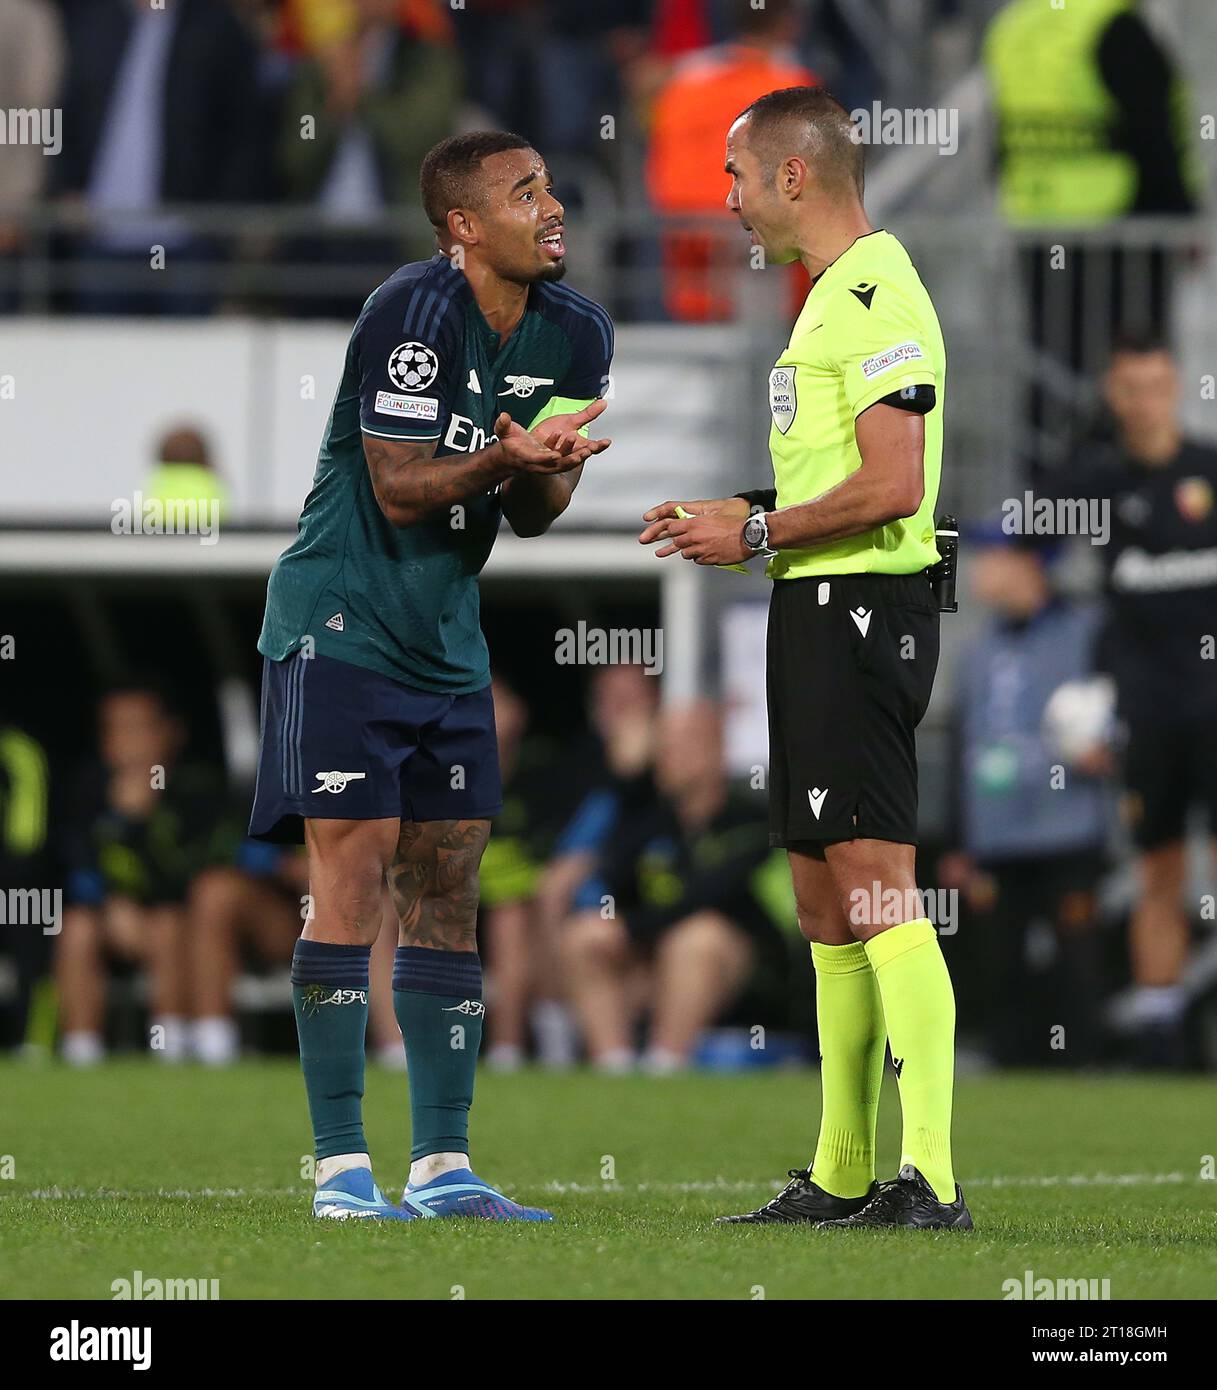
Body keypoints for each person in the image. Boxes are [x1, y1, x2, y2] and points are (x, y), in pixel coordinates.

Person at [249, 130, 613, 1221]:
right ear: (462, 227)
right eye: (523, 192)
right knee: (352, 884)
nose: (552, 206)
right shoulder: (410, 312)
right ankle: (340, 1168)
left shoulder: (578, 331)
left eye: (549, 186)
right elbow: (403, 487)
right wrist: (509, 455)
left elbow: (533, 519)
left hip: (448, 642)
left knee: (447, 888)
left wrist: (544, 469)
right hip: (341, 623)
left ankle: (444, 1165)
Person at [641, 87, 970, 1229]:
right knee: (823, 896)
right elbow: (846, 474)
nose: (722, 200)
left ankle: (926, 1174)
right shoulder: (827, 298)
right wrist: (742, 509)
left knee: (876, 879)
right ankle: (839, 1172)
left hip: (864, 608)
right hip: (814, 606)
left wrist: (758, 533)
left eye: (732, 177)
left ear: (791, 176)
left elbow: (892, 484)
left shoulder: (876, 290)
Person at [1047, 334, 1217, 1066]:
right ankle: (1158, 1027)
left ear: (1173, 386)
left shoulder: (1208, 471)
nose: (1144, 401)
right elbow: (1029, 528)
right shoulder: (1096, 480)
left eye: (1154, 385)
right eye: (1128, 388)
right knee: (1158, 870)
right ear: (1111, 396)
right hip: (1147, 711)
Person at [941, 530, 1113, 1068]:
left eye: (991, 558)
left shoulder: (1087, 633)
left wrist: (1110, 744)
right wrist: (959, 842)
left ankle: (1086, 1066)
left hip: (1069, 828)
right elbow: (958, 745)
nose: (978, 572)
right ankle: (1005, 1068)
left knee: (1077, 957)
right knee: (999, 963)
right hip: (997, 836)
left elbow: (1120, 707)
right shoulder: (976, 649)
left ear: (1028, 566)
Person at [562, 701, 776, 1073]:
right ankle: (614, 1066)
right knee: (587, 934)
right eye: (664, 745)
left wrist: (634, 929)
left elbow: (712, 895)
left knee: (696, 937)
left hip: (748, 969)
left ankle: (666, 1065)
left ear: (717, 752)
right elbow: (606, 883)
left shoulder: (752, 821)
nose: (668, 756)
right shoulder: (651, 821)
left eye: (684, 745)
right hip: (655, 955)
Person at [56, 681, 240, 1064]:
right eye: (115, 730)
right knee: (75, 927)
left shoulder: (197, 788)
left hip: (179, 923)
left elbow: (199, 872)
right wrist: (112, 900)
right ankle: (80, 1053)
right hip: (115, 920)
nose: (127, 742)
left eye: (139, 728)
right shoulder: (90, 789)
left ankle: (170, 1048)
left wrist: (139, 821)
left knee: (168, 923)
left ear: (172, 732)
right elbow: (74, 864)